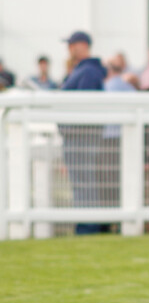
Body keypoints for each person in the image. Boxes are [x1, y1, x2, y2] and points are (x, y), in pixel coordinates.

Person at [60, 31, 107, 234]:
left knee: (83, 179)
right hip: (78, 133)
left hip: (81, 134)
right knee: (82, 179)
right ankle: (86, 222)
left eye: (72, 44)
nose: (69, 49)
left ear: (81, 45)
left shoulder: (88, 71)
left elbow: (83, 104)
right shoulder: (83, 70)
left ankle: (87, 225)